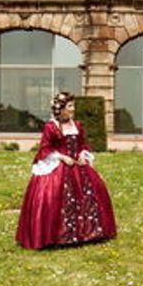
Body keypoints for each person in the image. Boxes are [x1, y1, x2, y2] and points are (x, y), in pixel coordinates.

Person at [15, 91, 118, 250]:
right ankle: (57, 235)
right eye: (70, 106)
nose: (73, 109)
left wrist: (82, 155)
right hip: (59, 165)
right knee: (53, 196)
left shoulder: (76, 125)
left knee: (93, 192)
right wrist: (62, 158)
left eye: (72, 105)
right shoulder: (50, 127)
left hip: (77, 165)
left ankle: (88, 233)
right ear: (61, 109)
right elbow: (45, 148)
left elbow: (83, 144)